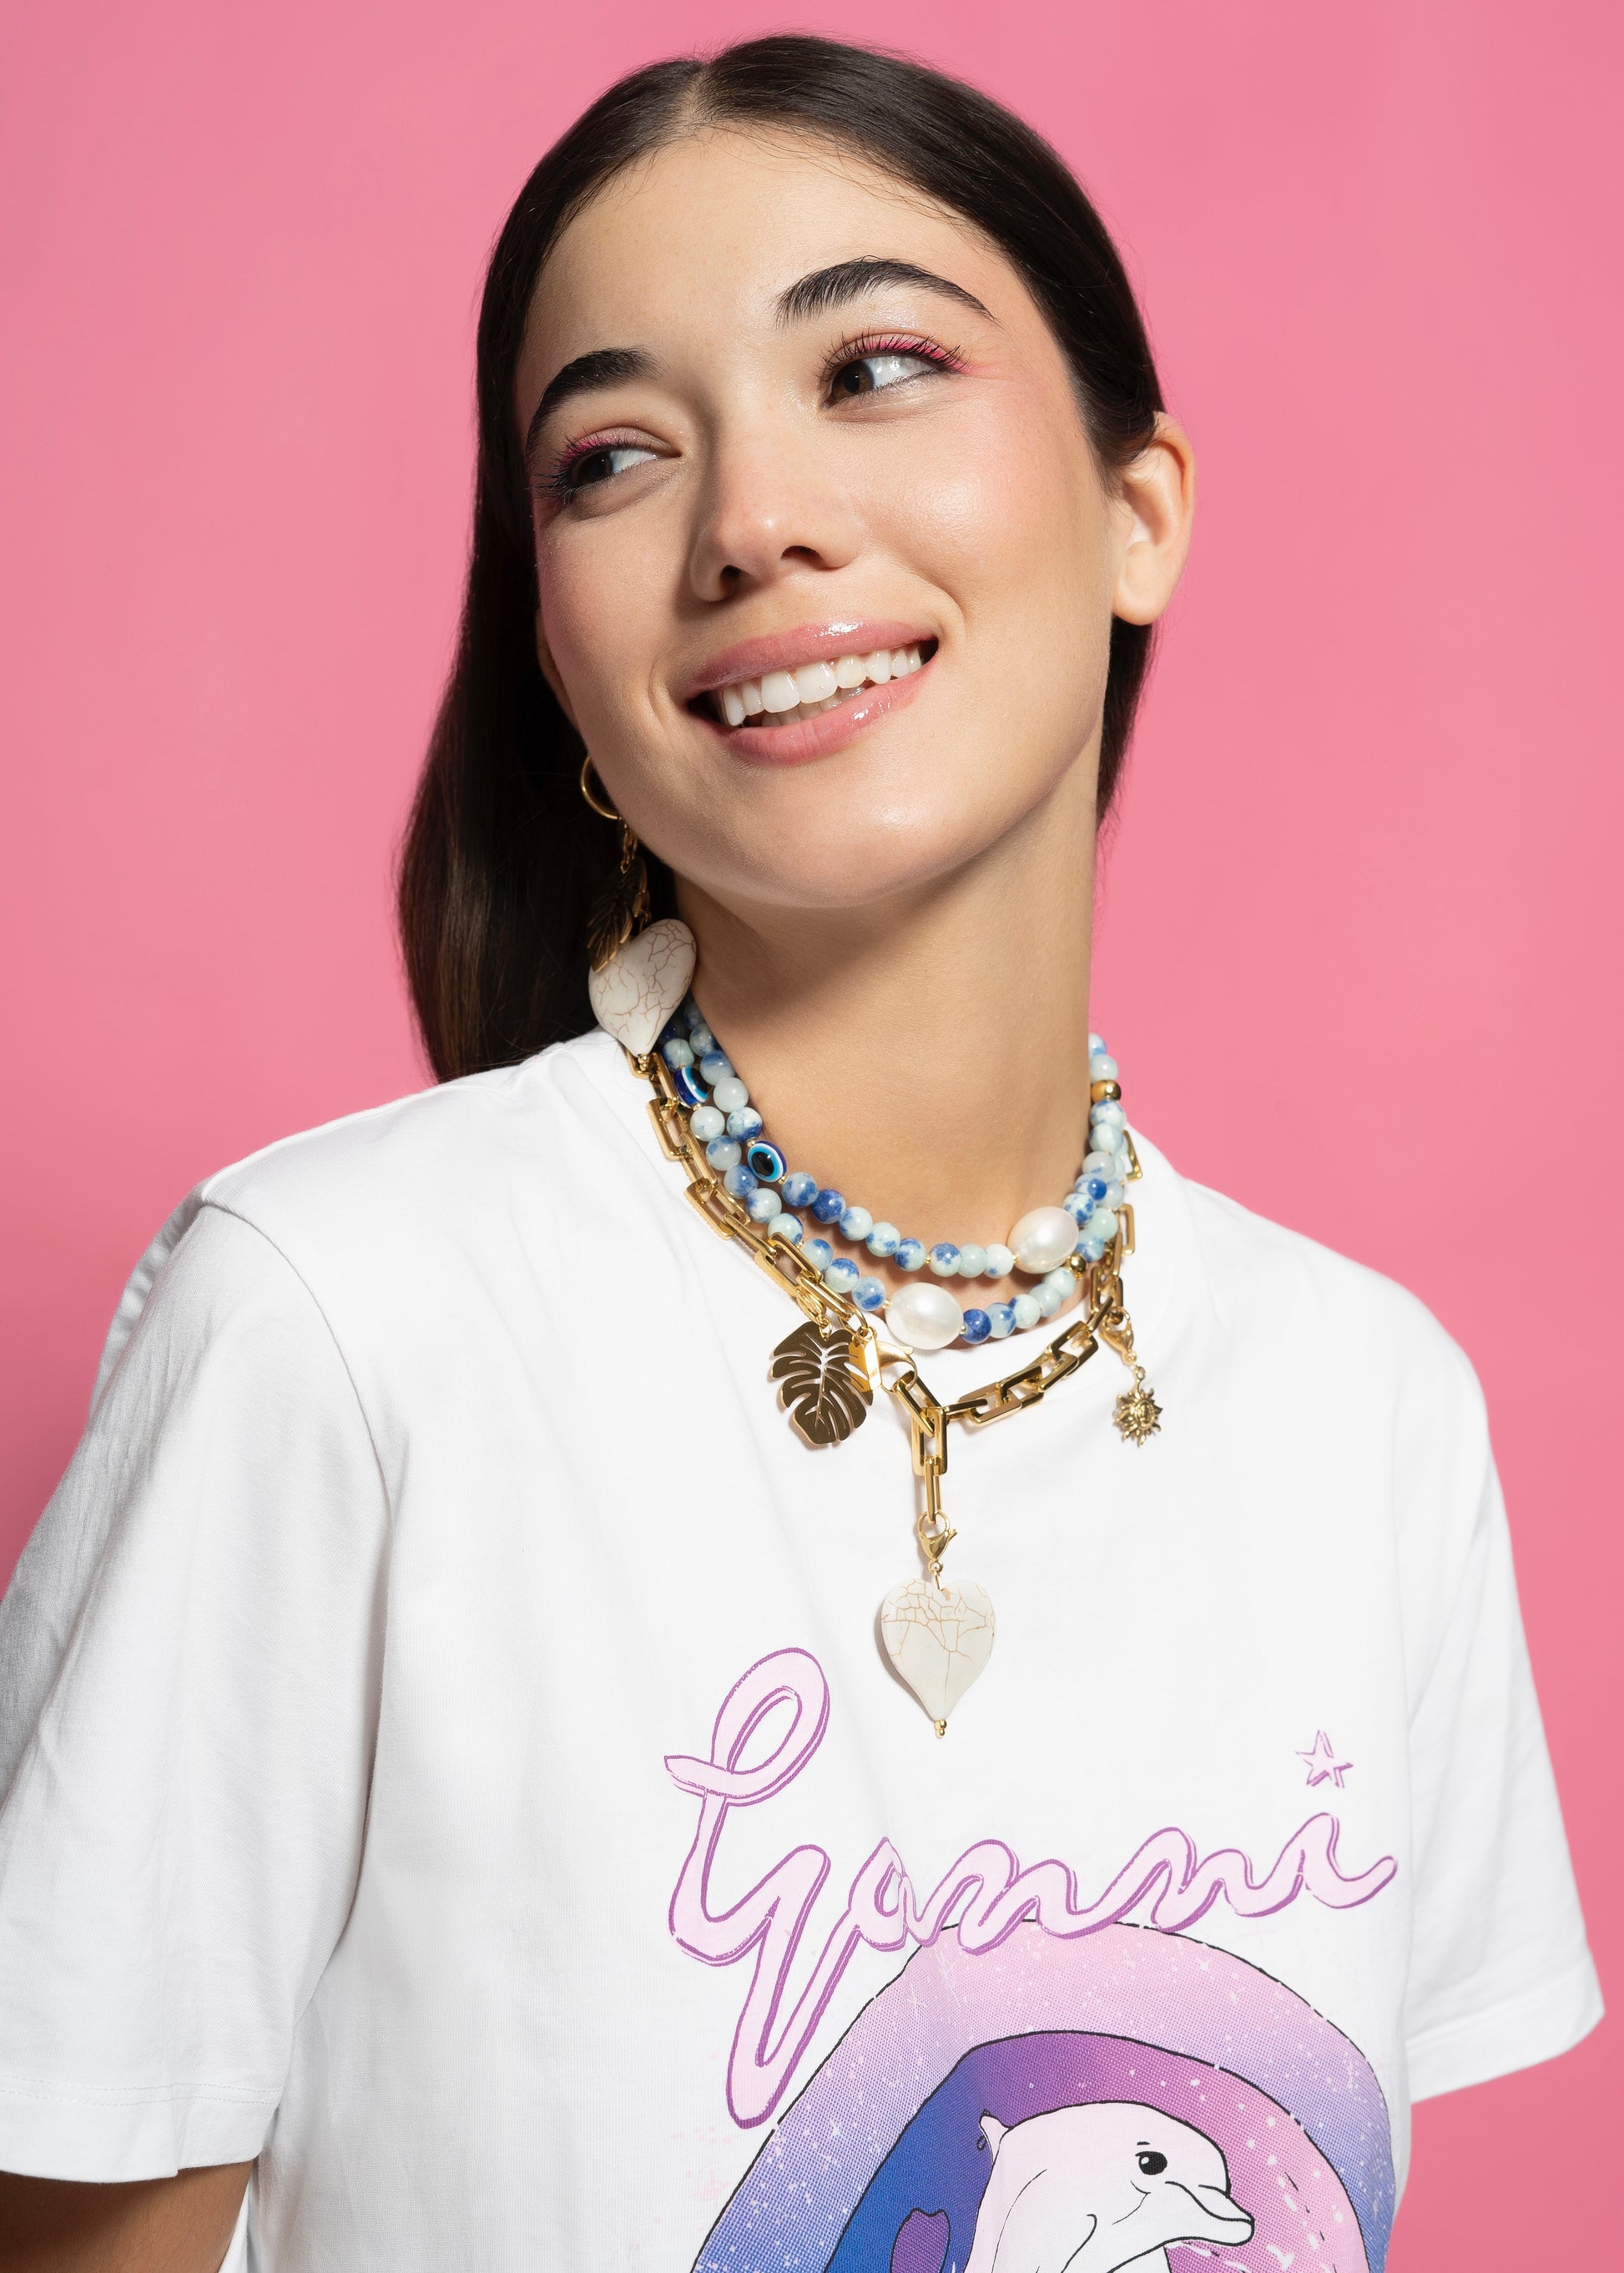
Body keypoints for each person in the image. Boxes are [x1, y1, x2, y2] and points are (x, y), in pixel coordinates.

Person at [0, 34, 1599, 2273]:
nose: (751, 519)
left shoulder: (1369, 1403)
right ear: (559, 656)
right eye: (613, 458)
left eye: (872, 368)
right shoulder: (336, 1322)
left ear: (1136, 510)